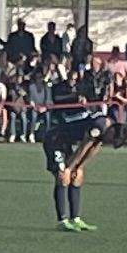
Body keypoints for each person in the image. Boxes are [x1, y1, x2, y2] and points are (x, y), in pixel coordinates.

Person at [41, 63, 104, 231]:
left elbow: (90, 148)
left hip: (66, 141)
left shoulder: (95, 126)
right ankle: (62, 220)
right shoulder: (59, 90)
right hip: (55, 140)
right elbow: (58, 100)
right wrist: (70, 166)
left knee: (77, 176)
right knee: (63, 175)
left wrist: (79, 166)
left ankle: (76, 218)